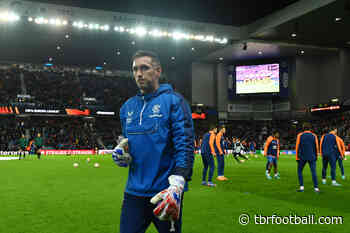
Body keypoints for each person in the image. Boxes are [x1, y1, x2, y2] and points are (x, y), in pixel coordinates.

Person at [112, 50, 194, 233]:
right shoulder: (127, 108)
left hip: (165, 193)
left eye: (144, 68)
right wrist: (124, 155)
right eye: (135, 69)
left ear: (158, 71)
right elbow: (128, 144)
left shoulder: (174, 102)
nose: (139, 74)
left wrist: (179, 183)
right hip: (133, 193)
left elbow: (185, 145)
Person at [295, 122, 320, 193]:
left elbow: (297, 147)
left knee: (299, 171)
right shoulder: (314, 135)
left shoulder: (300, 135)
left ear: (303, 128)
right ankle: (316, 188)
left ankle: (301, 187)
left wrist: (297, 157)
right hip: (312, 156)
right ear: (310, 128)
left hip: (302, 157)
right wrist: (316, 156)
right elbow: (316, 147)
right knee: (313, 172)